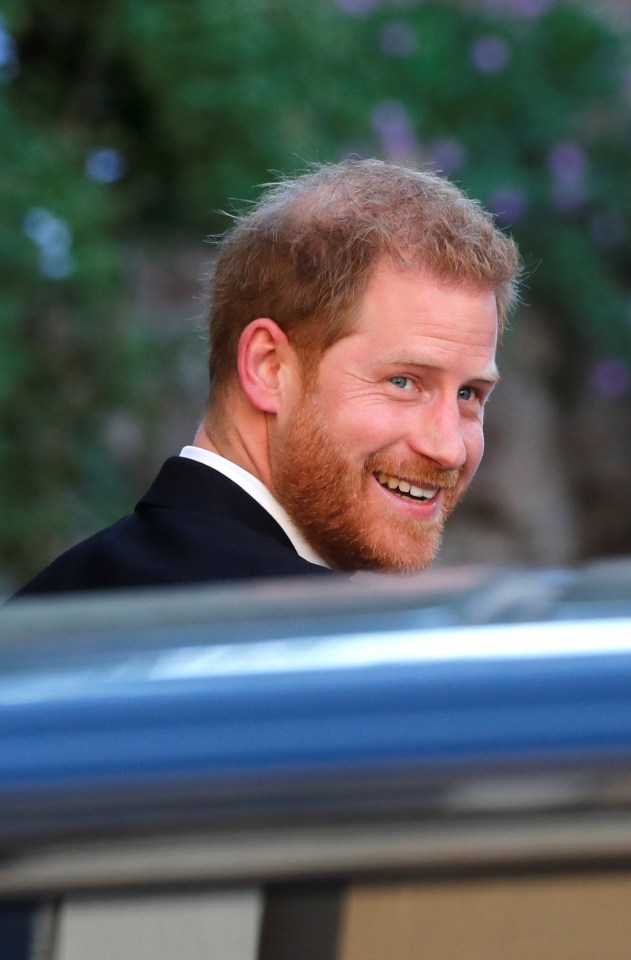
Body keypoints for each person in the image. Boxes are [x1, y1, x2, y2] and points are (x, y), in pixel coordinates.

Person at [13, 159, 520, 597]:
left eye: (469, 393)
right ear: (268, 367)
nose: (449, 448)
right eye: (404, 382)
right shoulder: (309, 655)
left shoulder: (58, 600)